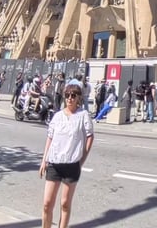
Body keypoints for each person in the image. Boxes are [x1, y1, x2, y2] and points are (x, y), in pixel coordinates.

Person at [40, 82, 94, 228]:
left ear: (79, 98)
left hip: (72, 165)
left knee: (65, 203)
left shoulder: (83, 115)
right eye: (67, 95)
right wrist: (44, 160)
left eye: (73, 95)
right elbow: (50, 137)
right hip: (54, 163)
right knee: (47, 204)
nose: (70, 98)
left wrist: (82, 159)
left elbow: (90, 136)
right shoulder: (57, 116)